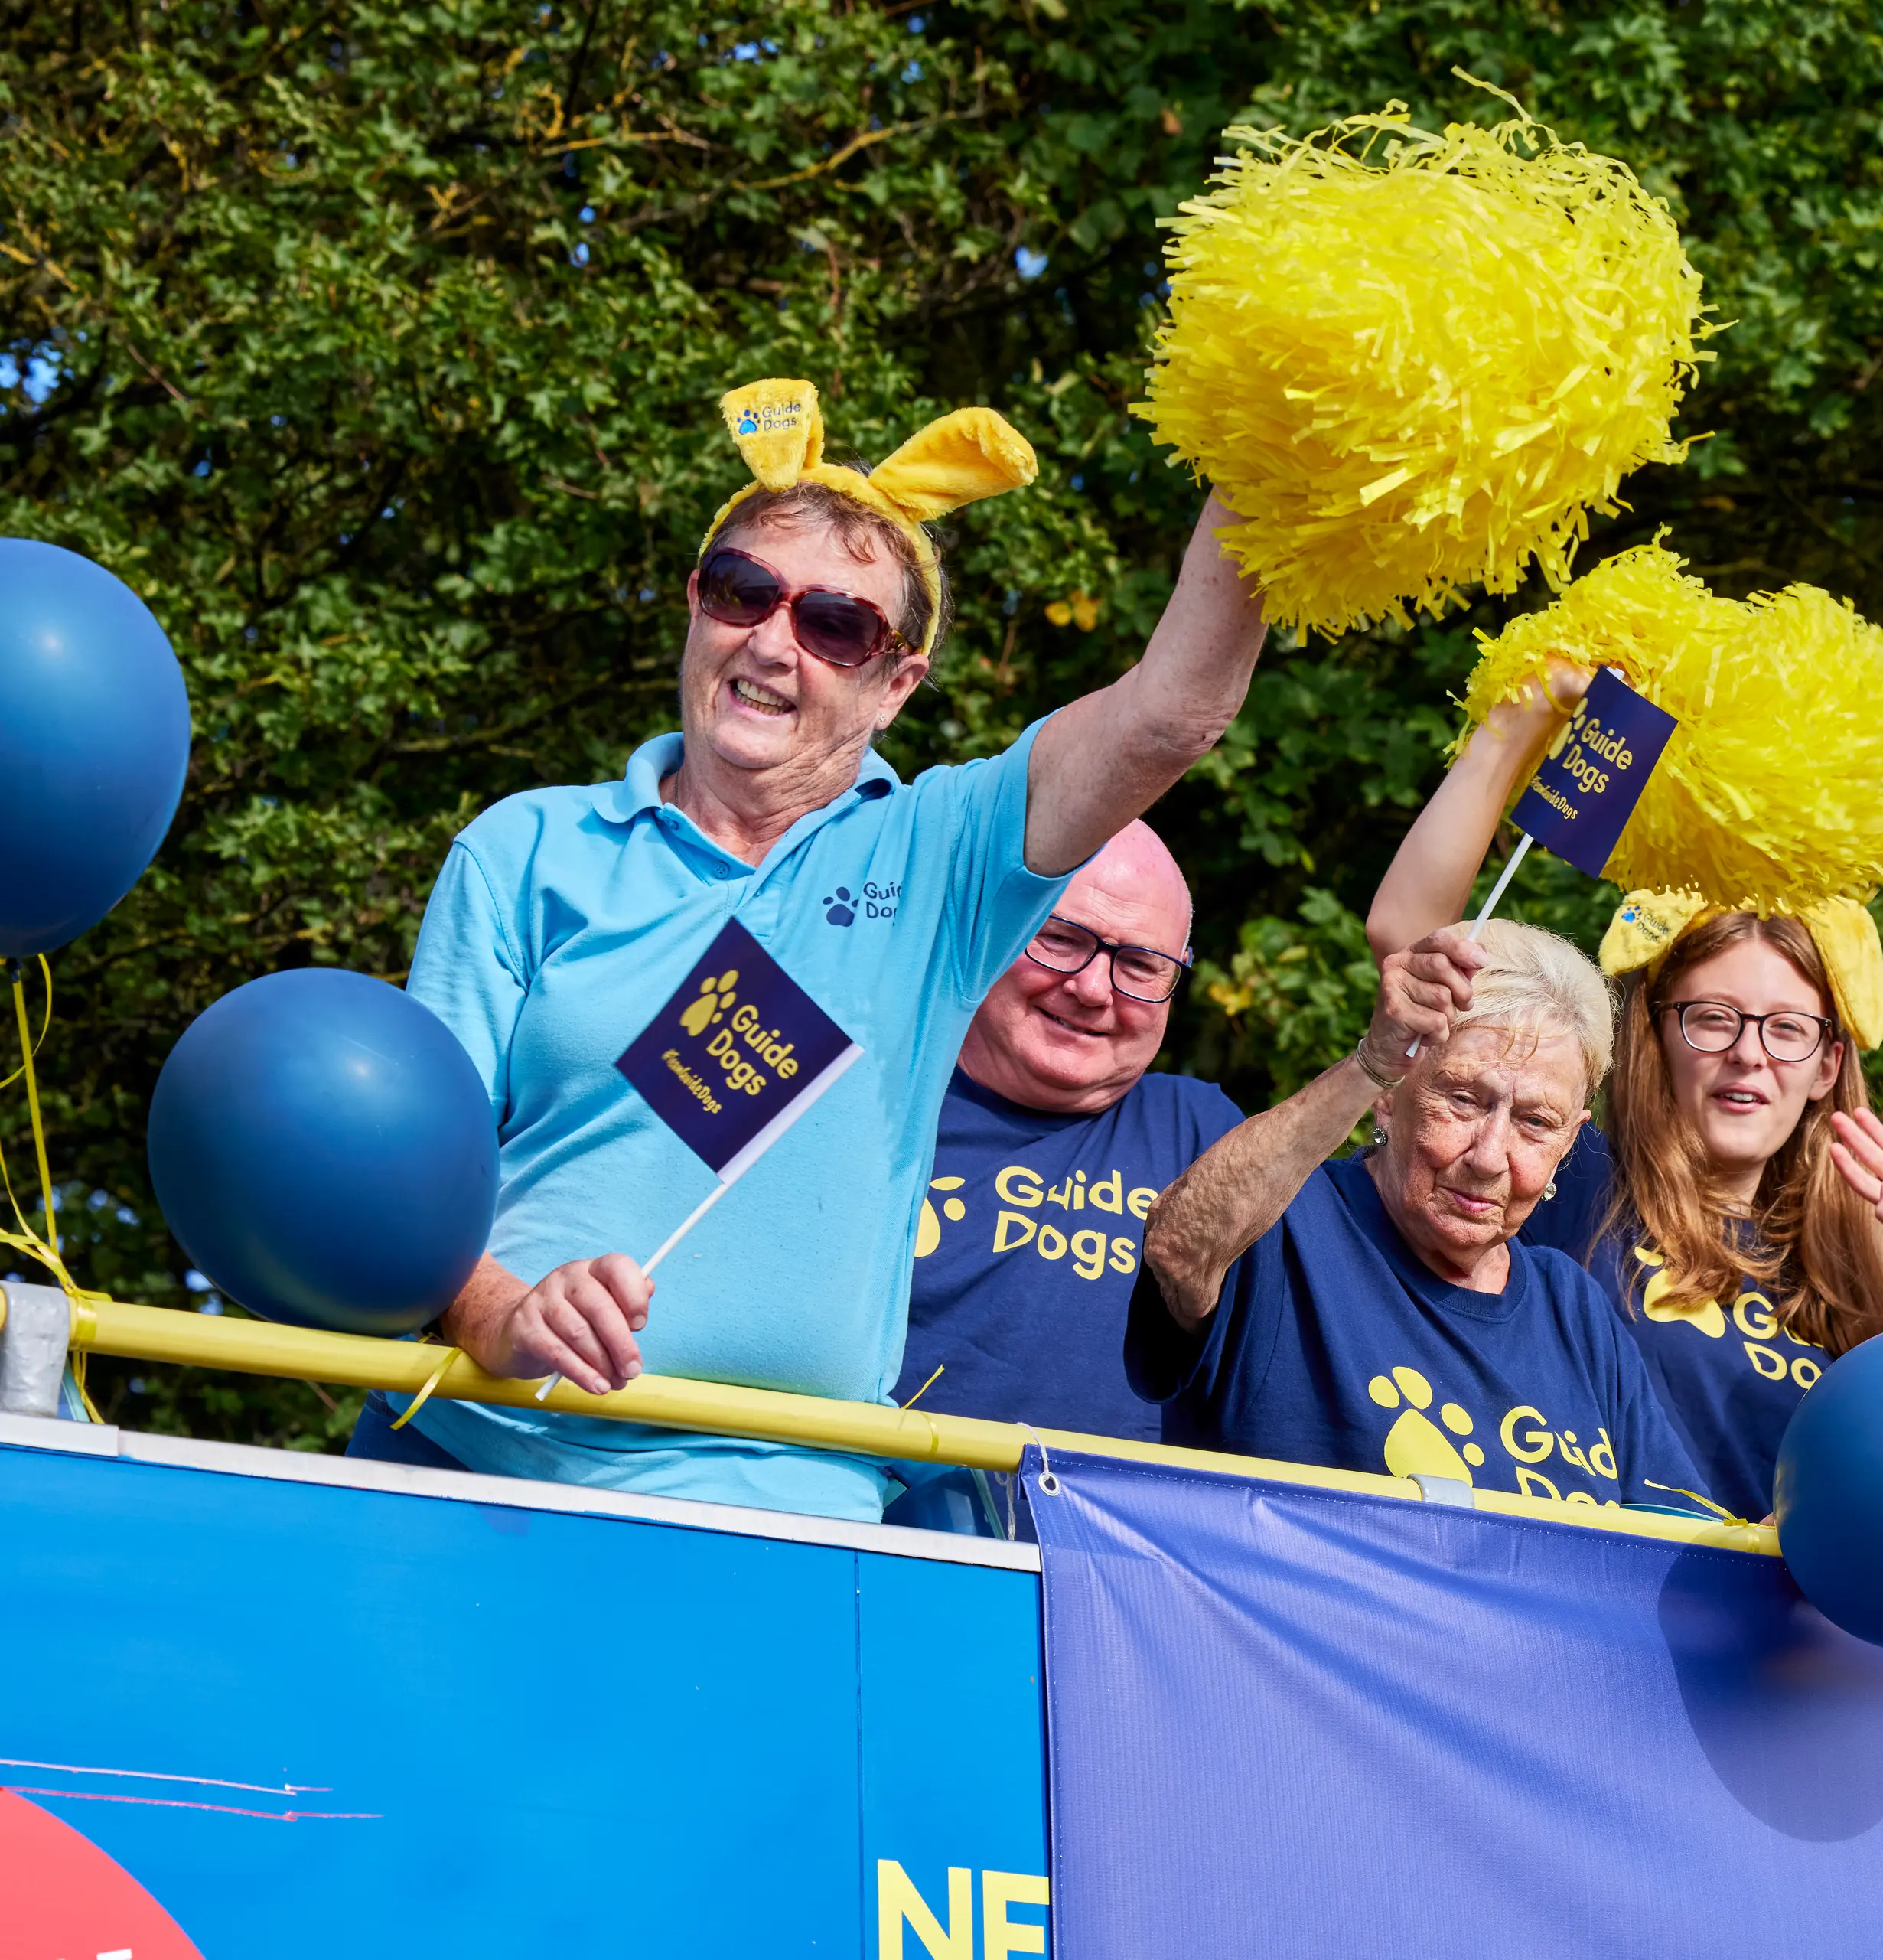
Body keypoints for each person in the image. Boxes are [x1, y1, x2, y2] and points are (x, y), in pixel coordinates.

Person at [350, 378, 1268, 1520]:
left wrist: (1264, 444)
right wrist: (498, 1313)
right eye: (745, 592)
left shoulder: (941, 858)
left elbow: (1171, 716)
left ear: (895, 685)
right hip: (468, 1466)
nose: (775, 640)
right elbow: (401, 1181)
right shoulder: (526, 849)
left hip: (783, 1512)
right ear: (694, 605)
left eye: (838, 624)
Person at [1360, 673, 1883, 1522]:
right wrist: (1520, 720)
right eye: (1713, 1017)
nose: (1747, 1055)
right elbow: (1412, 941)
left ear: (1828, 1064)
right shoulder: (1577, 1177)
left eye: (1785, 1029)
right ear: (1654, 1034)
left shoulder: (1854, 1284)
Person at [1131, 921, 1705, 1508]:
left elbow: (1682, 1535)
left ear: (1569, 1142)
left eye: (1534, 1123)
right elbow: (1177, 1245)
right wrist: (1368, 1063)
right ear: (1390, 1092)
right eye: (1463, 1099)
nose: (1488, 1156)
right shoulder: (1288, 1225)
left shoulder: (1573, 1308)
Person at [896, 820, 1239, 1441]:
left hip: (1114, 1535)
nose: (1090, 987)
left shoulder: (1207, 1135)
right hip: (866, 1521)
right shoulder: (873, 1088)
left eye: (1139, 964)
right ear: (998, 926)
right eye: (1059, 938)